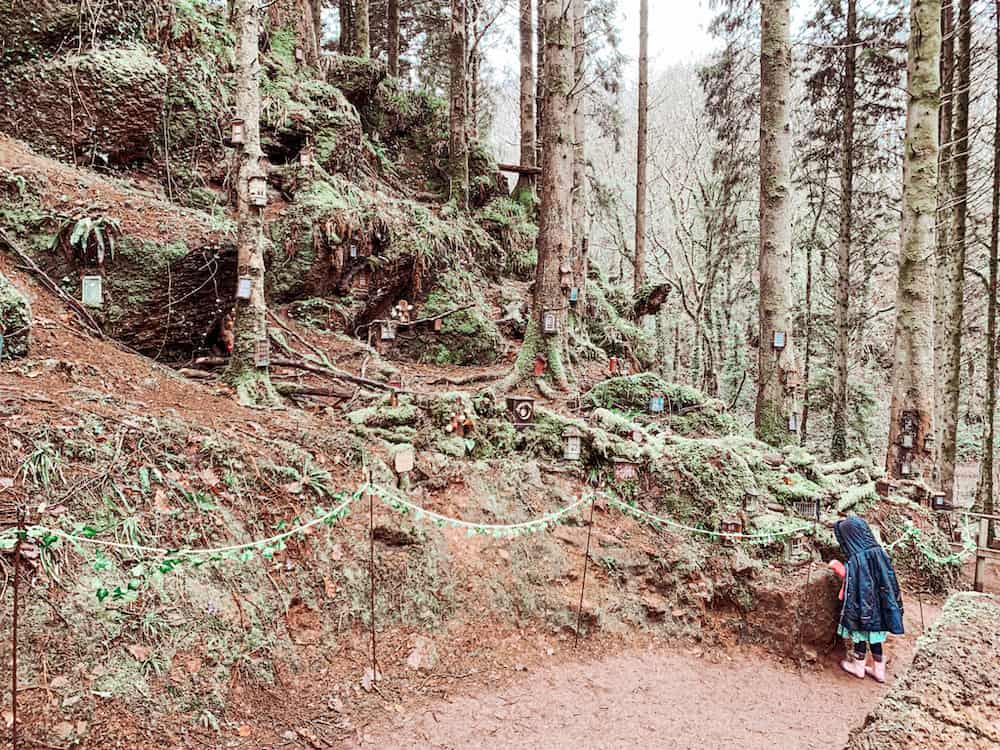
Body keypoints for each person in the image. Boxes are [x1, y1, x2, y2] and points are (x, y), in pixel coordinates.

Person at [831, 516, 904, 683]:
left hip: (862, 610)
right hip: (881, 608)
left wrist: (837, 566)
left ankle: (859, 667)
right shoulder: (880, 553)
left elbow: (848, 577)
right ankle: (879, 670)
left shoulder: (857, 559)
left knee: (860, 636)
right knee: (876, 638)